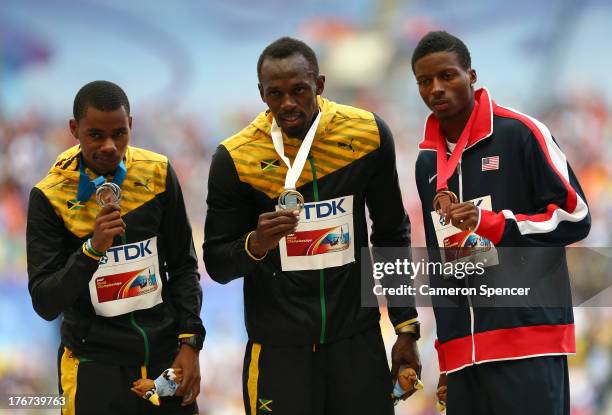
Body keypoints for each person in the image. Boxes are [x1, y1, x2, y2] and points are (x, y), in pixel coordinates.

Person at [203, 37, 421, 415]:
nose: (288, 103)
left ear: (319, 85)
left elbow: (390, 233)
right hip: (277, 352)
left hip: (357, 342)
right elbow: (218, 264)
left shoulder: (368, 134)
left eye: (299, 90)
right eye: (275, 93)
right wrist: (256, 244)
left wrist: (405, 325)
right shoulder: (235, 158)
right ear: (261, 93)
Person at [412, 31, 591, 414]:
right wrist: (447, 353)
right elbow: (440, 263)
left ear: (471, 75)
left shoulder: (521, 133)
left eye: (448, 76)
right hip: (465, 357)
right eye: (425, 81)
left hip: (528, 342)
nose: (436, 89)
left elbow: (576, 217)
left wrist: (493, 224)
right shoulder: (427, 163)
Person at [26, 80, 205, 415]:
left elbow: (183, 266)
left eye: (119, 133)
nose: (109, 146)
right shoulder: (49, 196)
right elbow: (45, 301)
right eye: (95, 134)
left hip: (164, 363)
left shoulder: (158, 173)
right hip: (95, 367)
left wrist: (191, 342)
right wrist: (92, 250)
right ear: (74, 129)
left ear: (131, 126)